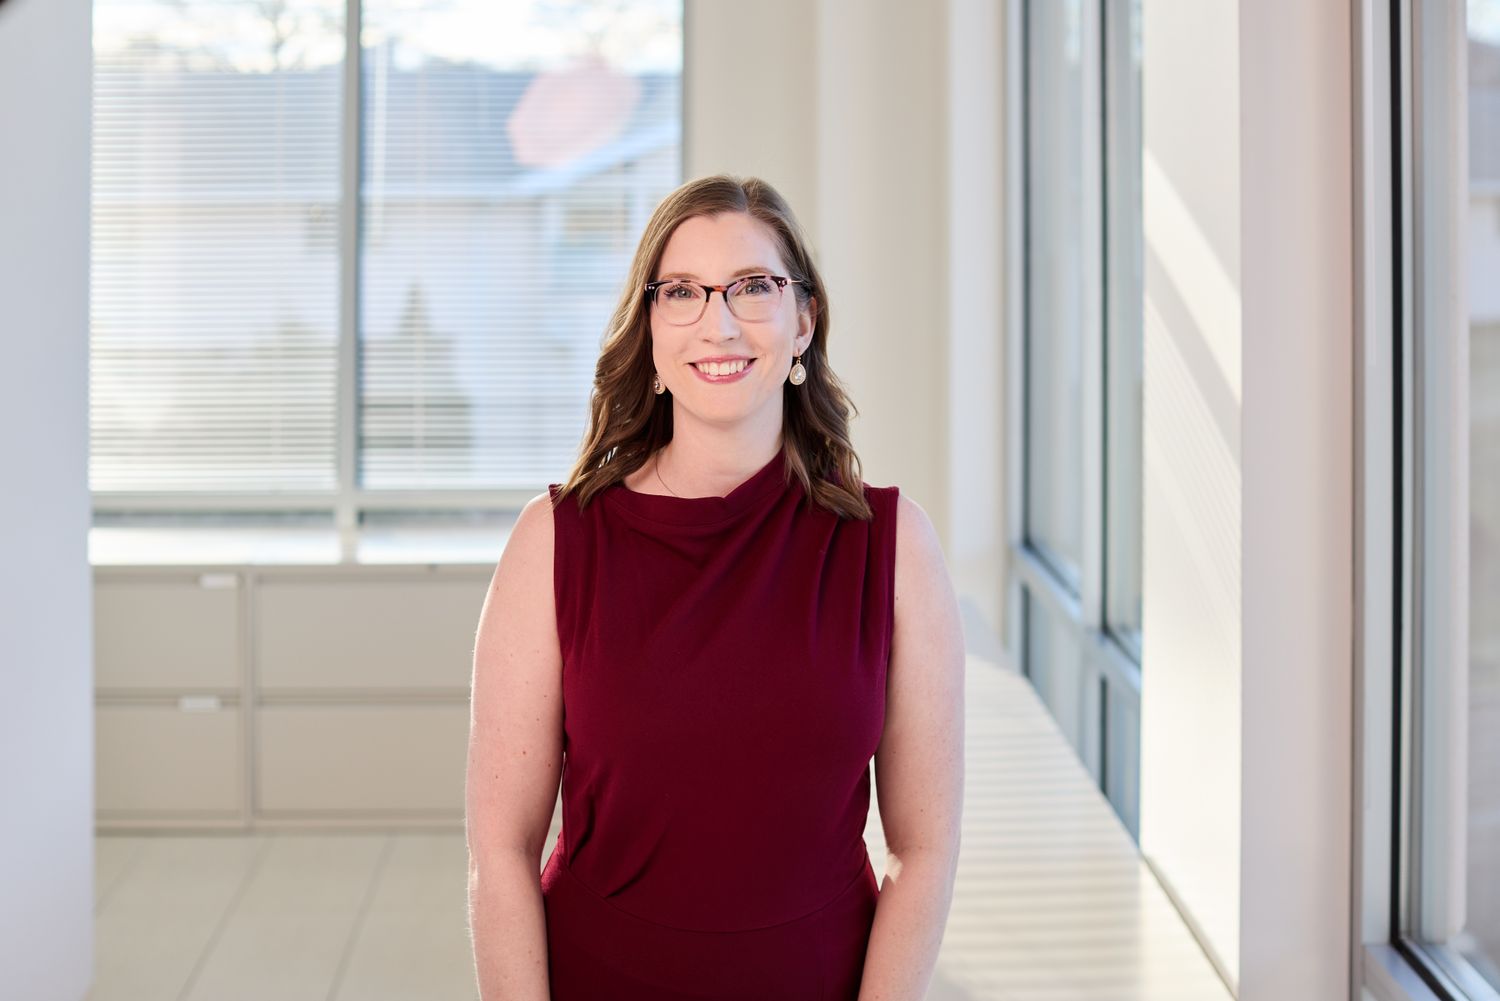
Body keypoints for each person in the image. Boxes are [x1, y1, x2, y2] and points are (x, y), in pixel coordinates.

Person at [466, 174, 965, 1000]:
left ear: (803, 320)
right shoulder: (554, 543)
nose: (718, 320)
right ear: (652, 330)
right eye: (683, 291)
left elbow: (924, 850)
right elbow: (501, 847)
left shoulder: (894, 545)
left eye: (753, 287)